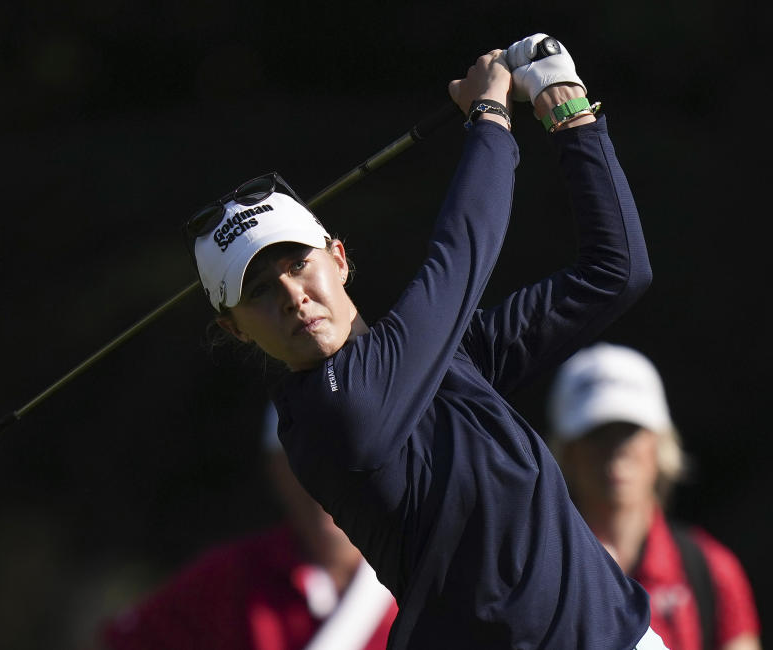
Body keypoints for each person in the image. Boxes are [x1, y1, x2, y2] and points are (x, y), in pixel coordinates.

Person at [185, 33, 665, 649]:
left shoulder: (444, 361)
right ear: (234, 328)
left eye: (297, 262)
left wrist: (567, 108)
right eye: (258, 290)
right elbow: (462, 252)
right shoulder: (332, 414)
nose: (292, 295)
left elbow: (617, 272)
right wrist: (491, 116)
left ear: (338, 257)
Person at [99, 401, 398, 650]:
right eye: (304, 460)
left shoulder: (427, 577)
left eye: (344, 456)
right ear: (276, 470)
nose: (325, 480)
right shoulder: (228, 579)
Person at [546, 342, 762, 650]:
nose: (616, 451)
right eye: (596, 433)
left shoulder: (712, 570)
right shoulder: (537, 573)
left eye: (630, 430)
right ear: (566, 452)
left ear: (660, 443)